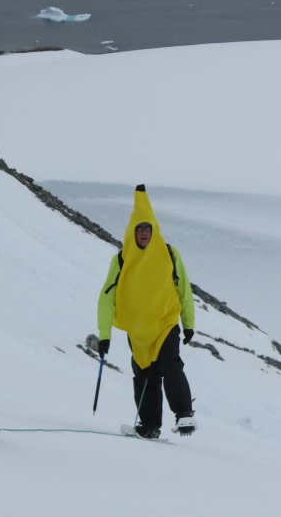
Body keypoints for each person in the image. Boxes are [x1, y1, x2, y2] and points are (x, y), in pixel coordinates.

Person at [97, 184, 196, 438]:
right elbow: (107, 299)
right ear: (132, 231)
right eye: (139, 228)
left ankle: (184, 414)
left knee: (171, 365)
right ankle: (150, 426)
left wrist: (188, 324)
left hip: (165, 323)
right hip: (138, 331)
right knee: (144, 376)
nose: (143, 233)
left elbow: (183, 289)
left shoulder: (170, 254)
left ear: (154, 230)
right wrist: (105, 334)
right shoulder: (121, 259)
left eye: (147, 228)